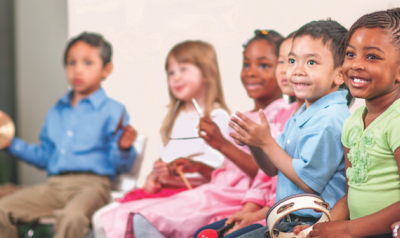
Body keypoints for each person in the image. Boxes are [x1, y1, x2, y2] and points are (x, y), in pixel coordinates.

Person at [97, 30, 289, 238]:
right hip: (218, 189)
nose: (251, 72)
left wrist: (221, 145)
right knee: (131, 216)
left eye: (264, 65)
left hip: (232, 196)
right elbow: (228, 173)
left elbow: (266, 172)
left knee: (147, 218)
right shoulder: (241, 117)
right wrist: (197, 167)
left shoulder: (280, 117)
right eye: (246, 64)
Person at [0, 32, 137, 238]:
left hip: (92, 185)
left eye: (88, 62)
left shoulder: (113, 111)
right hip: (54, 185)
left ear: (106, 69)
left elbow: (121, 166)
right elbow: (45, 157)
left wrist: (124, 148)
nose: (78, 69)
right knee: (2, 209)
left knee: (72, 216)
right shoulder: (57, 111)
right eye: (71, 62)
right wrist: (10, 144)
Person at [92, 40, 232, 238]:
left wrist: (191, 167)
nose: (175, 78)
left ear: (207, 73)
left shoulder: (218, 118)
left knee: (119, 219)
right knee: (101, 217)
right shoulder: (174, 120)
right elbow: (165, 164)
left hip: (193, 196)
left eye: (183, 69)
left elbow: (224, 174)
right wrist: (156, 176)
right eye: (171, 72)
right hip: (166, 191)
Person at [229, 19, 352, 238]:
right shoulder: (303, 112)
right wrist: (255, 144)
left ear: (339, 74)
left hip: (310, 223)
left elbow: (307, 182)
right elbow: (272, 169)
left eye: (311, 62)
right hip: (286, 219)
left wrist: (266, 142)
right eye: (292, 60)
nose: (297, 70)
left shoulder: (329, 118)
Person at [294, 8, 400, 238]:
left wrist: (348, 229)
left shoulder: (397, 121)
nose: (355, 64)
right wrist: (319, 227)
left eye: (371, 56)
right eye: (351, 54)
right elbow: (352, 194)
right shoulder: (352, 122)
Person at [194, 31, 306, 238]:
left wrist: (258, 213)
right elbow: (267, 176)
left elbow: (303, 185)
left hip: (290, 215)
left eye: (292, 61)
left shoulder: (306, 119)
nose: (287, 70)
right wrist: (249, 210)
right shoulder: (283, 116)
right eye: (283, 62)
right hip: (267, 208)